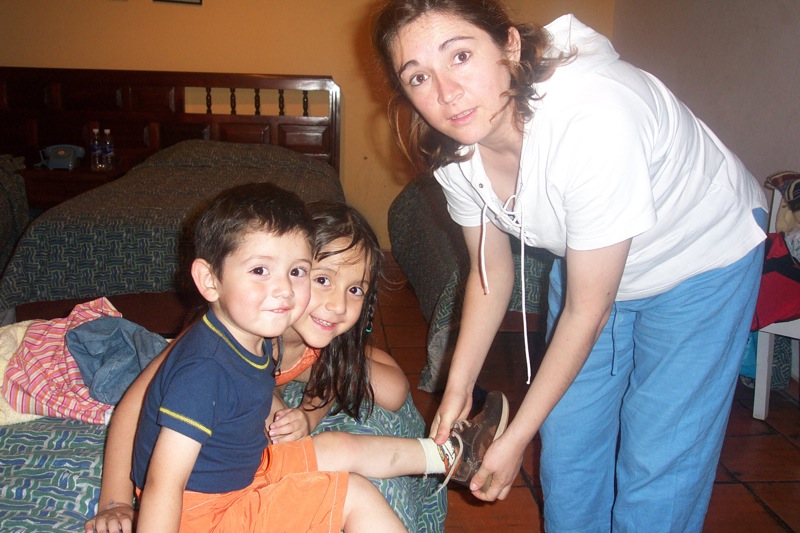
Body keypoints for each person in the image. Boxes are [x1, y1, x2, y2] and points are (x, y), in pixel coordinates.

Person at [371, 1, 768, 531]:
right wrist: (457, 386)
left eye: (460, 55)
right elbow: (490, 276)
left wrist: (514, 441)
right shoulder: (457, 155)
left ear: (508, 46)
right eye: (418, 76)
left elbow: (588, 311)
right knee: (569, 439)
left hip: (699, 258)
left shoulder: (595, 119)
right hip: (594, 268)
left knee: (659, 454)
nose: (445, 93)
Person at [85, 185, 507, 533]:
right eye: (320, 279)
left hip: (238, 472)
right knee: (355, 493)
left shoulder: (265, 335)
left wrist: (306, 412)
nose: (285, 291)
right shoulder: (213, 352)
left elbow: (261, 386)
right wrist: (115, 502)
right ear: (210, 281)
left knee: (340, 444)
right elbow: (151, 443)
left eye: (296, 273)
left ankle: (453, 456)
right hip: (210, 506)